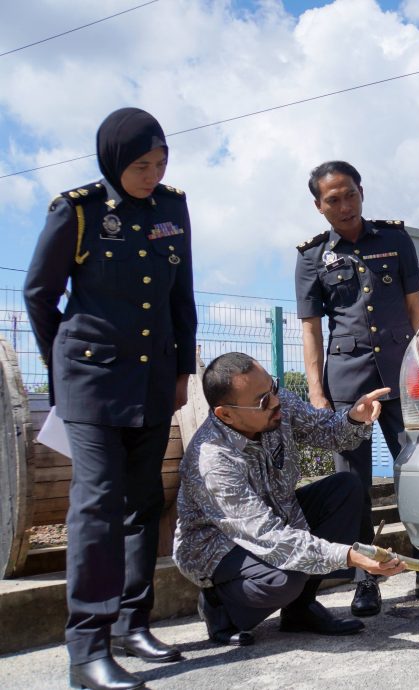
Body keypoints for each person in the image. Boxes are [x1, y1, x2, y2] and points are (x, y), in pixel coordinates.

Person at [23, 107, 197, 690]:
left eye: (160, 163)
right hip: (91, 381)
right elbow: (40, 294)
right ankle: (87, 650)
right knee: (97, 503)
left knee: (144, 500)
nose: (153, 174)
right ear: (113, 162)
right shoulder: (76, 211)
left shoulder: (173, 208)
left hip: (152, 380)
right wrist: (64, 364)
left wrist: (182, 372)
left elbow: (182, 299)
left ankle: (131, 622)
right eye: (141, 165)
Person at [294, 161, 419, 613]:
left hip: (401, 375)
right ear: (319, 206)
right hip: (347, 382)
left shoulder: (394, 239)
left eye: (350, 194)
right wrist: (316, 392)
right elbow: (311, 328)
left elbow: (414, 309)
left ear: (362, 192)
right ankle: (364, 579)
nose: (344, 205)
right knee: (353, 482)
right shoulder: (311, 256)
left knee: (416, 469)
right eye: (333, 199)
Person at [173, 353, 406, 646]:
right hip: (217, 546)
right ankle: (219, 604)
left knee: (345, 488)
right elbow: (268, 537)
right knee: (284, 579)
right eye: (262, 401)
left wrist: (353, 417)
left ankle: (299, 611)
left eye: (273, 387)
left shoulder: (276, 402)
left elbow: (328, 431)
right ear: (226, 414)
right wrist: (348, 555)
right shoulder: (212, 460)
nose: (275, 402)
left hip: (274, 517)